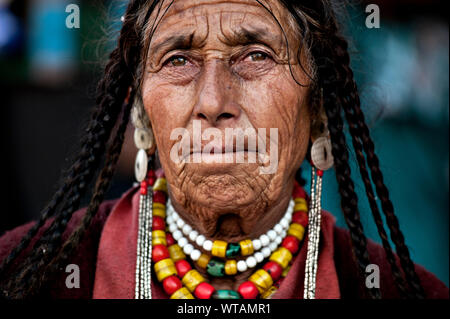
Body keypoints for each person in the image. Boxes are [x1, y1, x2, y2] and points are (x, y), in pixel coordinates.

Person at [0, 0, 448, 299]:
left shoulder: (397, 289)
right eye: (178, 60)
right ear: (141, 111)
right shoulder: (24, 276)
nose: (214, 102)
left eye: (256, 56)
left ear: (317, 110)